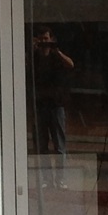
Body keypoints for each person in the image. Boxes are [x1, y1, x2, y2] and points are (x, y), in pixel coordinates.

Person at [31, 27, 74, 182]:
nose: (44, 42)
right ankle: (46, 179)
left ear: (51, 39)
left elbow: (70, 64)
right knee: (41, 145)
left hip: (56, 105)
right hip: (40, 105)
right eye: (41, 39)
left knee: (59, 145)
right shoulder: (34, 57)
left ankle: (60, 179)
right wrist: (32, 50)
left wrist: (57, 51)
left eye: (46, 39)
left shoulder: (56, 56)